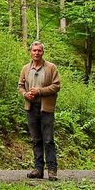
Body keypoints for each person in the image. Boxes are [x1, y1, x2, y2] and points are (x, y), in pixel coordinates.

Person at [18, 41, 61, 181]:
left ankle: (52, 170)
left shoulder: (51, 68)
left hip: (46, 108)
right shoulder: (25, 68)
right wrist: (25, 94)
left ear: (43, 52)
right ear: (30, 52)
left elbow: (56, 86)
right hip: (31, 108)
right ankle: (38, 169)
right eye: (34, 50)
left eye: (39, 51)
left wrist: (39, 91)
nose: (36, 53)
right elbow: (20, 86)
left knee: (48, 139)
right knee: (36, 139)